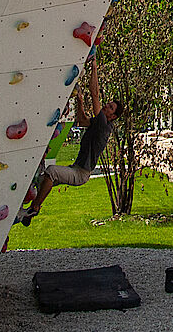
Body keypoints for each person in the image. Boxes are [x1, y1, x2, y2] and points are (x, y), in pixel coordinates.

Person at [16, 58, 123, 226]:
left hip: (81, 173)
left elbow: (95, 94)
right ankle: (25, 213)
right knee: (42, 178)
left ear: (113, 117)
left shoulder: (104, 125)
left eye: (110, 107)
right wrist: (80, 102)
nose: (106, 107)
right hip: (76, 168)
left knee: (51, 171)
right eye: (108, 104)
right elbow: (81, 121)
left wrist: (94, 65)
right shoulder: (99, 123)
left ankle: (34, 208)